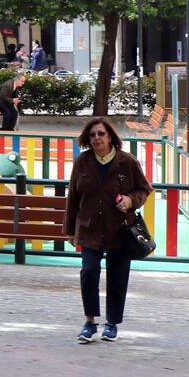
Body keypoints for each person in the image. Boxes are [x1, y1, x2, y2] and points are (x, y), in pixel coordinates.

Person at [65, 117, 152, 344]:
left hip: (120, 230)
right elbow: (73, 198)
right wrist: (69, 229)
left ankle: (112, 323)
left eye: (101, 134)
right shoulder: (82, 162)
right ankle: (90, 322)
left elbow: (144, 189)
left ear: (111, 136)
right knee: (89, 272)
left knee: (117, 276)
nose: (97, 138)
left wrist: (131, 201)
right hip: (89, 229)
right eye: (92, 135)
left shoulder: (127, 162)